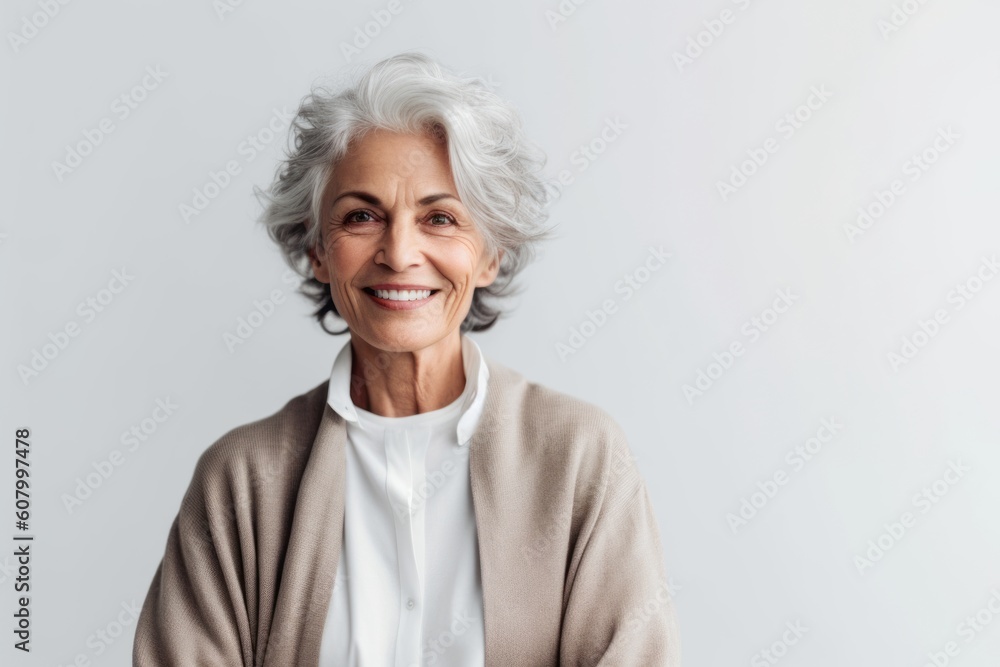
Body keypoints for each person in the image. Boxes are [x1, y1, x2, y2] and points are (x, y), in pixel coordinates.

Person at [132, 51, 680, 666]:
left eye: (440, 218)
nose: (399, 253)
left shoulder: (581, 456)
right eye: (361, 216)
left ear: (489, 256)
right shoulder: (240, 479)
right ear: (317, 249)